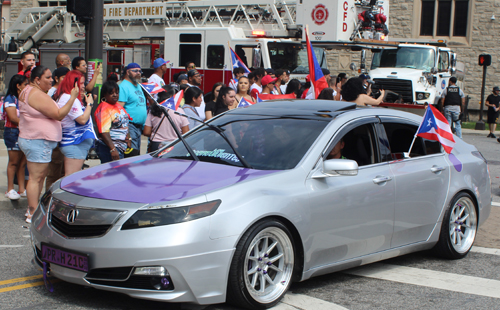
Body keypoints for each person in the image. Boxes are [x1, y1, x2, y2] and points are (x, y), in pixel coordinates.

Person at [18, 66, 79, 223]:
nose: (51, 80)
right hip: (38, 140)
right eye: (48, 77)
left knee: (38, 177)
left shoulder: (28, 90)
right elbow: (58, 114)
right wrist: (72, 97)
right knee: (36, 177)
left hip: (35, 139)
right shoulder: (36, 93)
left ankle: (33, 209)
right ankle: (32, 212)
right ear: (37, 80)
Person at [53, 70, 96, 175]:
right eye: (81, 83)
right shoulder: (68, 98)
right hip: (74, 144)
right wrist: (90, 104)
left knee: (72, 179)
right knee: (71, 180)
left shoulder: (70, 98)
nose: (83, 86)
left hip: (77, 144)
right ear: (73, 83)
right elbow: (82, 120)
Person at [3, 75, 28, 200]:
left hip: (24, 132)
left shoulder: (23, 98)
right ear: (18, 86)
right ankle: (10, 189)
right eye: (25, 84)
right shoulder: (10, 99)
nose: (27, 87)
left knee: (23, 163)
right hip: (12, 132)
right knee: (13, 162)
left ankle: (22, 189)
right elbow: (13, 118)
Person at [95, 81, 131, 163]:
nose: (115, 95)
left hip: (121, 146)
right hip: (109, 147)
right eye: (111, 93)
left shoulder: (117, 105)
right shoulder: (104, 108)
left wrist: (128, 138)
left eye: (117, 93)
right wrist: (112, 149)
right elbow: (104, 132)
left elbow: (125, 122)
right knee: (112, 174)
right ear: (105, 94)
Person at [118, 63, 147, 153]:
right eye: (135, 71)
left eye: (139, 71)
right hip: (130, 125)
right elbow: (119, 108)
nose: (138, 73)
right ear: (128, 72)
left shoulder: (138, 85)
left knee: (136, 153)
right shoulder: (123, 86)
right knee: (132, 154)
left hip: (139, 127)